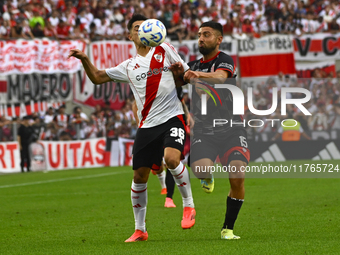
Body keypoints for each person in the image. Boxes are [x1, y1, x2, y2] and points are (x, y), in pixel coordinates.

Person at [68, 14, 196, 243]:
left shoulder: (165, 49)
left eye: (145, 27)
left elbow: (186, 77)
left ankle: (188, 206)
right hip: (147, 125)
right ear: (130, 35)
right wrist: (85, 59)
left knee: (172, 159)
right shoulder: (128, 66)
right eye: (137, 28)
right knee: (139, 177)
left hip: (172, 118)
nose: (142, 30)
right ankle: (140, 230)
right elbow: (97, 77)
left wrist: (180, 75)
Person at [171, 21, 250, 240]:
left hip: (232, 128)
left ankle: (228, 228)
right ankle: (207, 175)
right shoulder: (192, 64)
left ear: (219, 39)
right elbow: (176, 83)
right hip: (204, 131)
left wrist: (193, 74)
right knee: (200, 170)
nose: (201, 39)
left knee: (237, 175)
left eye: (206, 35)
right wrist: (178, 74)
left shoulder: (224, 60)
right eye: (199, 35)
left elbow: (221, 78)